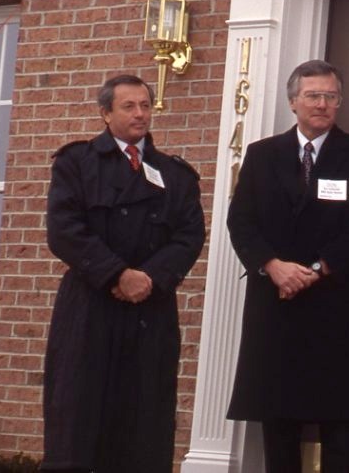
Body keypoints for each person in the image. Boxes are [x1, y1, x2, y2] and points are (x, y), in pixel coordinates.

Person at [42, 75, 206, 473]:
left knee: (144, 422)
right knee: (78, 421)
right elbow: (64, 231)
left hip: (151, 311)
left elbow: (189, 236)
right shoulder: (76, 164)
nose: (140, 114)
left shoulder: (176, 174)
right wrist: (117, 274)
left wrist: (149, 277)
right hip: (90, 309)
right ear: (105, 113)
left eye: (146, 106)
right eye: (129, 106)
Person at [226, 60, 349, 473]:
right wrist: (273, 266)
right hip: (276, 304)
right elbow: (241, 221)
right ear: (293, 101)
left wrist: (314, 268)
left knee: (341, 427)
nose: (323, 104)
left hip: (336, 306)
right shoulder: (261, 155)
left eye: (331, 96)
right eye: (313, 95)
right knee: (279, 421)